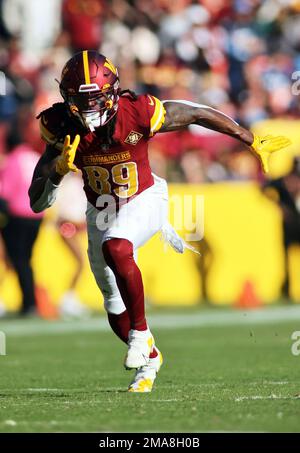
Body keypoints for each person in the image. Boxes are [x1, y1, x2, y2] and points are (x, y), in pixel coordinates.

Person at [28, 50, 291, 392]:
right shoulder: (59, 125)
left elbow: (196, 112)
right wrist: (57, 172)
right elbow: (36, 201)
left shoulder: (138, 111)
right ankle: (150, 359)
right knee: (112, 303)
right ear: (67, 97)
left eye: (95, 99)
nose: (88, 108)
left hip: (144, 199)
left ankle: (141, 333)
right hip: (101, 211)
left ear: (112, 93)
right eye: (80, 100)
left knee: (117, 247)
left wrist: (249, 138)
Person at [0, 129, 44, 315]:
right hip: (36, 215)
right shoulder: (35, 157)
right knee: (26, 259)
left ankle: (29, 304)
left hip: (17, 216)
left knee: (18, 260)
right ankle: (30, 303)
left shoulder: (12, 160)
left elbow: (4, 193)